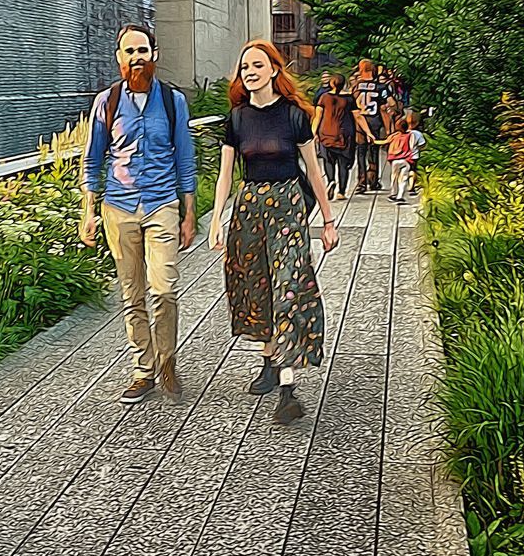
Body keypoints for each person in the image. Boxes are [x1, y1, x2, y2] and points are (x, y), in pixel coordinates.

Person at [209, 40, 339, 425]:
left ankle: (287, 385)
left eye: (257, 65)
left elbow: (314, 172)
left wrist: (328, 221)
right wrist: (216, 219)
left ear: (273, 71)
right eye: (244, 66)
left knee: (289, 284)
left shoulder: (295, 116)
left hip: (287, 206)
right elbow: (225, 175)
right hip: (249, 209)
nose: (249, 72)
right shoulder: (236, 119)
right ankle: (269, 360)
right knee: (256, 284)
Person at [81, 24, 198, 404]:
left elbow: (185, 157)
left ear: (154, 54)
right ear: (119, 57)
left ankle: (167, 361)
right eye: (129, 51)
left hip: (162, 204)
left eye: (142, 50)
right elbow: (92, 160)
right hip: (119, 206)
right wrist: (89, 212)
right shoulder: (107, 102)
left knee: (164, 290)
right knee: (132, 295)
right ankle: (143, 369)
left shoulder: (172, 101)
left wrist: (189, 213)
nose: (136, 58)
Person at [314, 72, 355, 200]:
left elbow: (317, 116)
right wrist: (369, 132)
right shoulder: (349, 99)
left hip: (326, 133)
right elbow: (358, 116)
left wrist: (313, 132)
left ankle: (331, 181)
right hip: (344, 134)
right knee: (343, 164)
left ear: (331, 83)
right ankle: (341, 192)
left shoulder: (324, 97)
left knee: (328, 160)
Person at [351, 59, 386, 193]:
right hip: (374, 120)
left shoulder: (355, 87)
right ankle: (373, 179)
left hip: (360, 122)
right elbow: (387, 105)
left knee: (361, 152)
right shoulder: (380, 87)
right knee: (373, 151)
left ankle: (361, 181)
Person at [380, 117, 414, 203]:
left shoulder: (394, 135)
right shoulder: (410, 135)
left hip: (395, 160)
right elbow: (412, 146)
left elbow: (384, 142)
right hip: (406, 160)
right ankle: (400, 196)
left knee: (394, 177)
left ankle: (393, 193)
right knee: (404, 178)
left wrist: (374, 141)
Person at [405, 108, 427, 196]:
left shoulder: (404, 133)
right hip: (414, 155)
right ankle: (411, 186)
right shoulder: (418, 134)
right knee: (412, 170)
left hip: (404, 156)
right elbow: (423, 144)